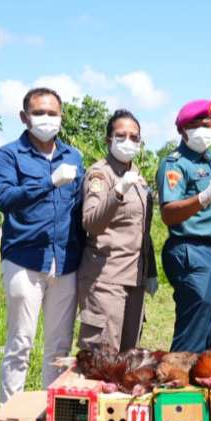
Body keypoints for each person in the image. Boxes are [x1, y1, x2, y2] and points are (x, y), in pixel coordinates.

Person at [0, 87, 85, 402]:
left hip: (66, 261)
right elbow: (5, 199)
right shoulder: (8, 155)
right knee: (20, 343)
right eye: (39, 113)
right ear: (24, 117)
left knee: (59, 346)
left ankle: (53, 413)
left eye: (52, 113)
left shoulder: (73, 156)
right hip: (24, 260)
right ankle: (9, 416)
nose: (46, 119)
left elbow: (83, 205)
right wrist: (49, 181)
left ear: (62, 117)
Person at [76, 110, 158, 352]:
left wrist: (150, 271)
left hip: (134, 278)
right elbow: (91, 222)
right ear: (108, 140)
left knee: (128, 358)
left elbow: (143, 230)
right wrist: (118, 193)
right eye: (121, 135)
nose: (128, 141)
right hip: (105, 279)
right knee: (102, 357)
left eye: (134, 137)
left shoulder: (137, 176)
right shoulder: (101, 174)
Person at [157, 99, 211, 352]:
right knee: (193, 330)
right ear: (182, 130)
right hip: (190, 249)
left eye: (207, 123)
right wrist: (203, 197)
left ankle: (195, 387)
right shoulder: (176, 164)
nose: (203, 129)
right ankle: (177, 387)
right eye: (196, 124)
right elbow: (168, 213)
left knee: (208, 327)